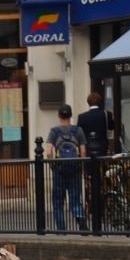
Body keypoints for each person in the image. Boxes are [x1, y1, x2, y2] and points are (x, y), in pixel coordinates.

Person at [45, 104, 88, 233]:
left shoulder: (54, 131)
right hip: (74, 168)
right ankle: (80, 219)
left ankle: (61, 232)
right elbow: (84, 151)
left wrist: (52, 166)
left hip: (59, 170)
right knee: (75, 200)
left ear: (59, 116)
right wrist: (81, 167)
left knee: (58, 203)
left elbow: (48, 152)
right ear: (71, 115)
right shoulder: (78, 130)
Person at [76, 93, 116, 159]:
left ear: (88, 103)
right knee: (101, 166)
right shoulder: (106, 114)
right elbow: (112, 127)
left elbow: (78, 133)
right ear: (100, 102)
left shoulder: (82, 117)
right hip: (103, 147)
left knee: (89, 167)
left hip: (88, 148)